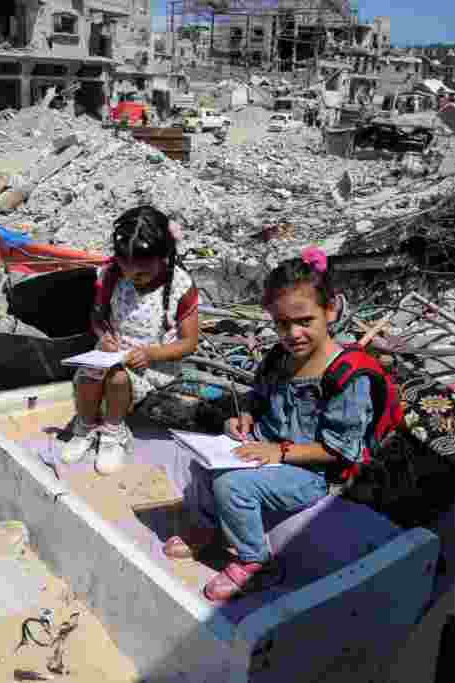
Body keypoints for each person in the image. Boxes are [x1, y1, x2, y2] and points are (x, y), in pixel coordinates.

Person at [163, 247, 380, 603]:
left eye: (305, 321)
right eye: (282, 324)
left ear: (330, 311)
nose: (293, 333)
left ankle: (255, 561)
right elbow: (260, 400)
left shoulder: (347, 377)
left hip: (309, 471)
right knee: (206, 463)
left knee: (233, 485)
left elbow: (340, 449)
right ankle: (207, 528)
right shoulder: (280, 358)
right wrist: (245, 420)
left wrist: (277, 451)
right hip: (267, 447)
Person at [61, 205, 200, 474]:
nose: (132, 279)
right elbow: (97, 318)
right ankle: (86, 426)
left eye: (142, 274)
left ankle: (113, 432)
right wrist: (103, 337)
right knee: (90, 374)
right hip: (113, 354)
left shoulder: (181, 285)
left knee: (117, 378)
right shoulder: (111, 275)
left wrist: (151, 354)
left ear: (163, 258)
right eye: (127, 271)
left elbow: (189, 342)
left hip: (152, 366)